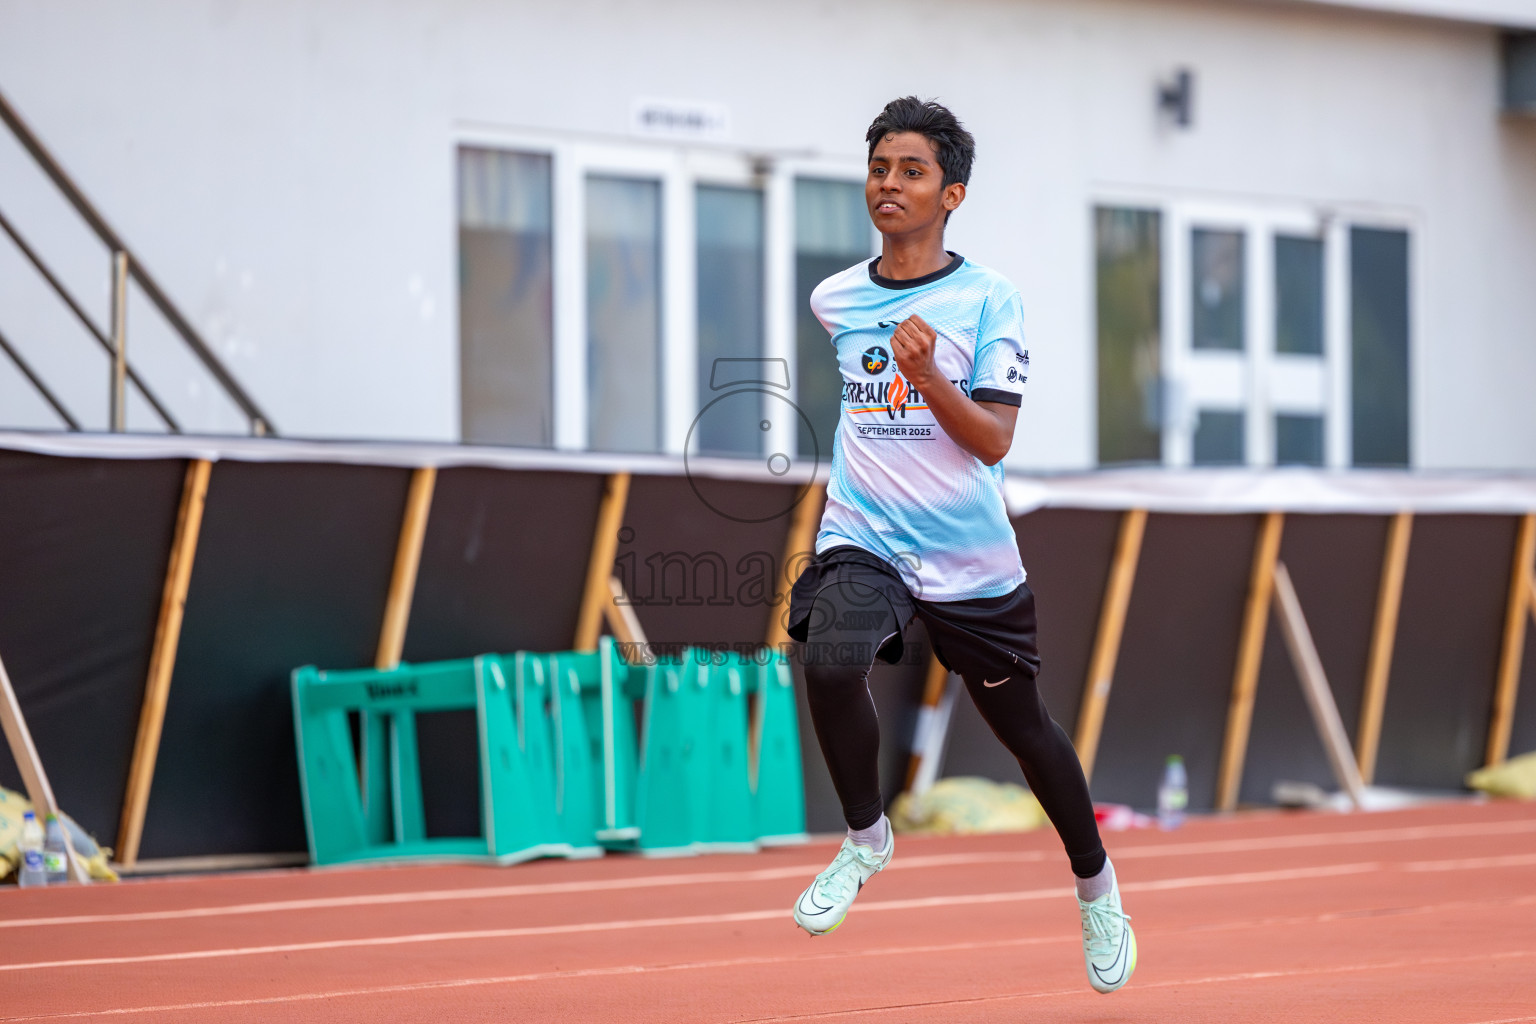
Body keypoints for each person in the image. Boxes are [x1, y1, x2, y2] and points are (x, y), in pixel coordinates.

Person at [785, 96, 1135, 995]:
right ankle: (867, 837)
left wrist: (926, 373)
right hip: (866, 533)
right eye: (878, 168)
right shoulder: (836, 298)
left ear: (953, 194)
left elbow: (993, 440)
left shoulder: (990, 298)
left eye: (910, 172)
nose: (888, 185)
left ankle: (1096, 886)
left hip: (970, 556)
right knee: (828, 658)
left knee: (1024, 730)